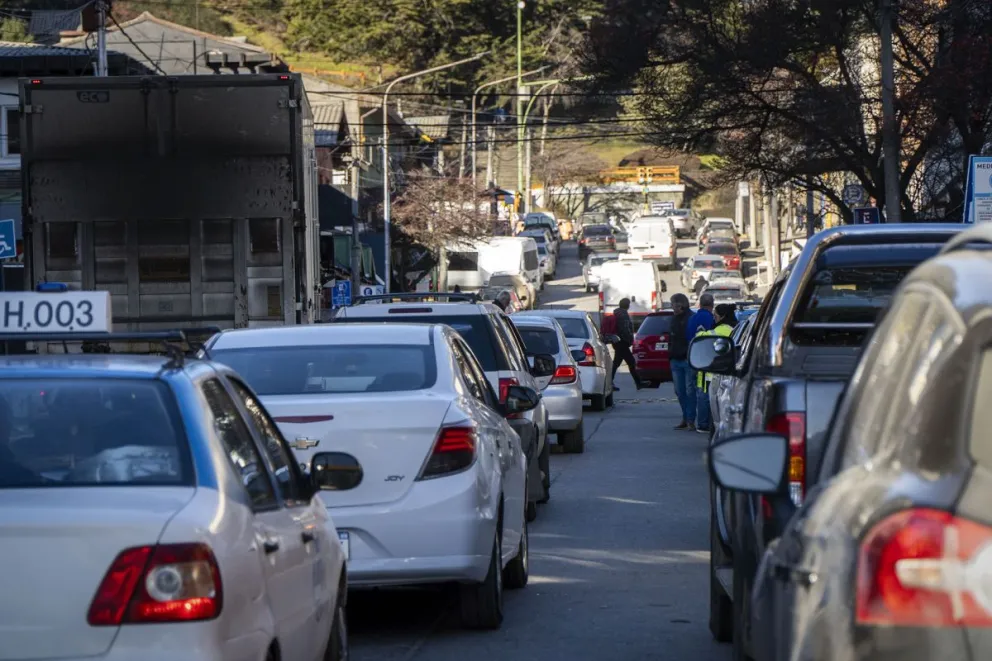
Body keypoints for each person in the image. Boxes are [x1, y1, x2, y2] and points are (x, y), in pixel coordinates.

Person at [694, 304, 738, 434]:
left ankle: (704, 425)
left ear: (722, 316)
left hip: (714, 375)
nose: (714, 318)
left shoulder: (722, 329)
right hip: (726, 374)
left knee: (709, 402)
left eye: (715, 315)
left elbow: (701, 338)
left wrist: (700, 331)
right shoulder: (736, 328)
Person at [668, 293, 696, 430]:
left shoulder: (691, 318)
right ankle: (685, 417)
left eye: (673, 304)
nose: (672, 307)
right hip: (675, 359)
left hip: (687, 359)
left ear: (680, 305)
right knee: (679, 391)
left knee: (690, 391)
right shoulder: (673, 319)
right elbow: (671, 339)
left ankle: (690, 419)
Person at [610, 298, 643, 390]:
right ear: (627, 305)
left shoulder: (617, 313)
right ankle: (639, 383)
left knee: (617, 363)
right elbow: (625, 329)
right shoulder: (623, 315)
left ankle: (609, 383)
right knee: (631, 362)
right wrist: (630, 340)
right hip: (622, 342)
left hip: (618, 342)